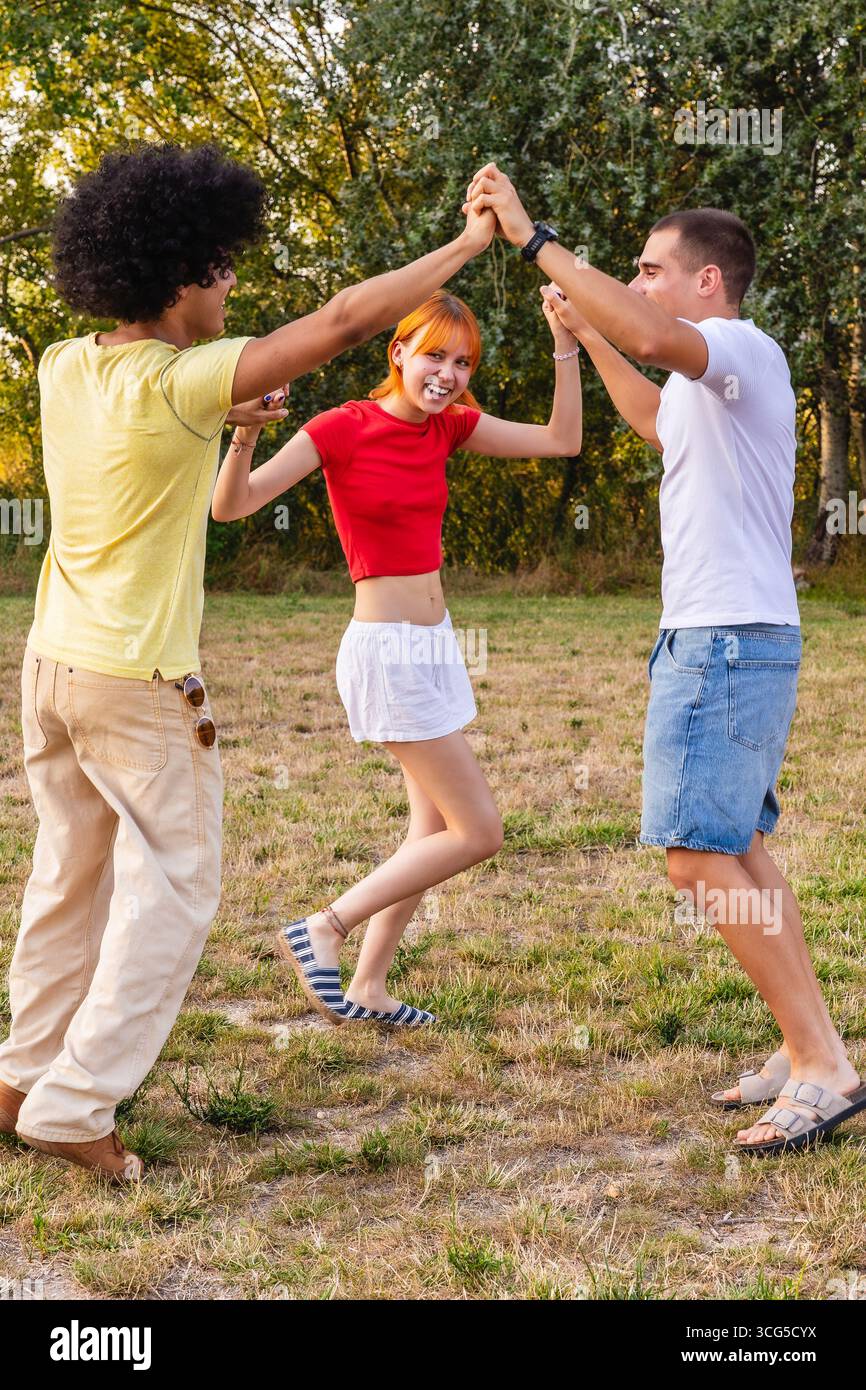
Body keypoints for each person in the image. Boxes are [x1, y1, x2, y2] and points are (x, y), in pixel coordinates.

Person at [0, 141, 496, 1182]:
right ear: (180, 274)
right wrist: (462, 244)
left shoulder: (63, 363)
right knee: (173, 891)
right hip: (139, 683)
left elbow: (159, 428)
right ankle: (75, 1104)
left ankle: (18, 1075)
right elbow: (343, 323)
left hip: (50, 670)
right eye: (222, 265)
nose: (233, 283)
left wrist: (225, 426)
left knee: (66, 878)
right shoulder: (187, 378)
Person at [461, 162, 865, 1155]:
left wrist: (529, 234)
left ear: (705, 284)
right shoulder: (707, 382)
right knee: (733, 848)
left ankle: (821, 1065)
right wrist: (586, 334)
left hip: (725, 639)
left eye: (648, 269)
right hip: (721, 635)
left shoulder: (735, 346)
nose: (636, 283)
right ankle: (800, 1043)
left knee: (692, 856)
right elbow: (650, 417)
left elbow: (650, 335)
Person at [211, 287, 582, 1025]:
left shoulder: (446, 430)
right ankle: (324, 927)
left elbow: (560, 440)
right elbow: (233, 505)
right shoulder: (339, 428)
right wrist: (244, 433)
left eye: (462, 362)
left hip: (433, 647)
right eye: (435, 355)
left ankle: (370, 987)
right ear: (398, 353)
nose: (447, 373)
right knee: (479, 832)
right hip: (386, 654)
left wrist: (565, 342)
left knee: (431, 829)